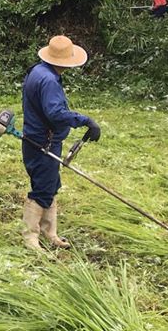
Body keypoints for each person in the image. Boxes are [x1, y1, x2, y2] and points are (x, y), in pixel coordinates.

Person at [20, 34, 101, 250]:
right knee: (42, 189)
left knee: (51, 185)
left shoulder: (37, 70)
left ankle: (50, 233)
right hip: (43, 143)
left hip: (36, 139)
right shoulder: (48, 81)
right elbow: (55, 113)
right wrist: (84, 120)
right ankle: (30, 238)